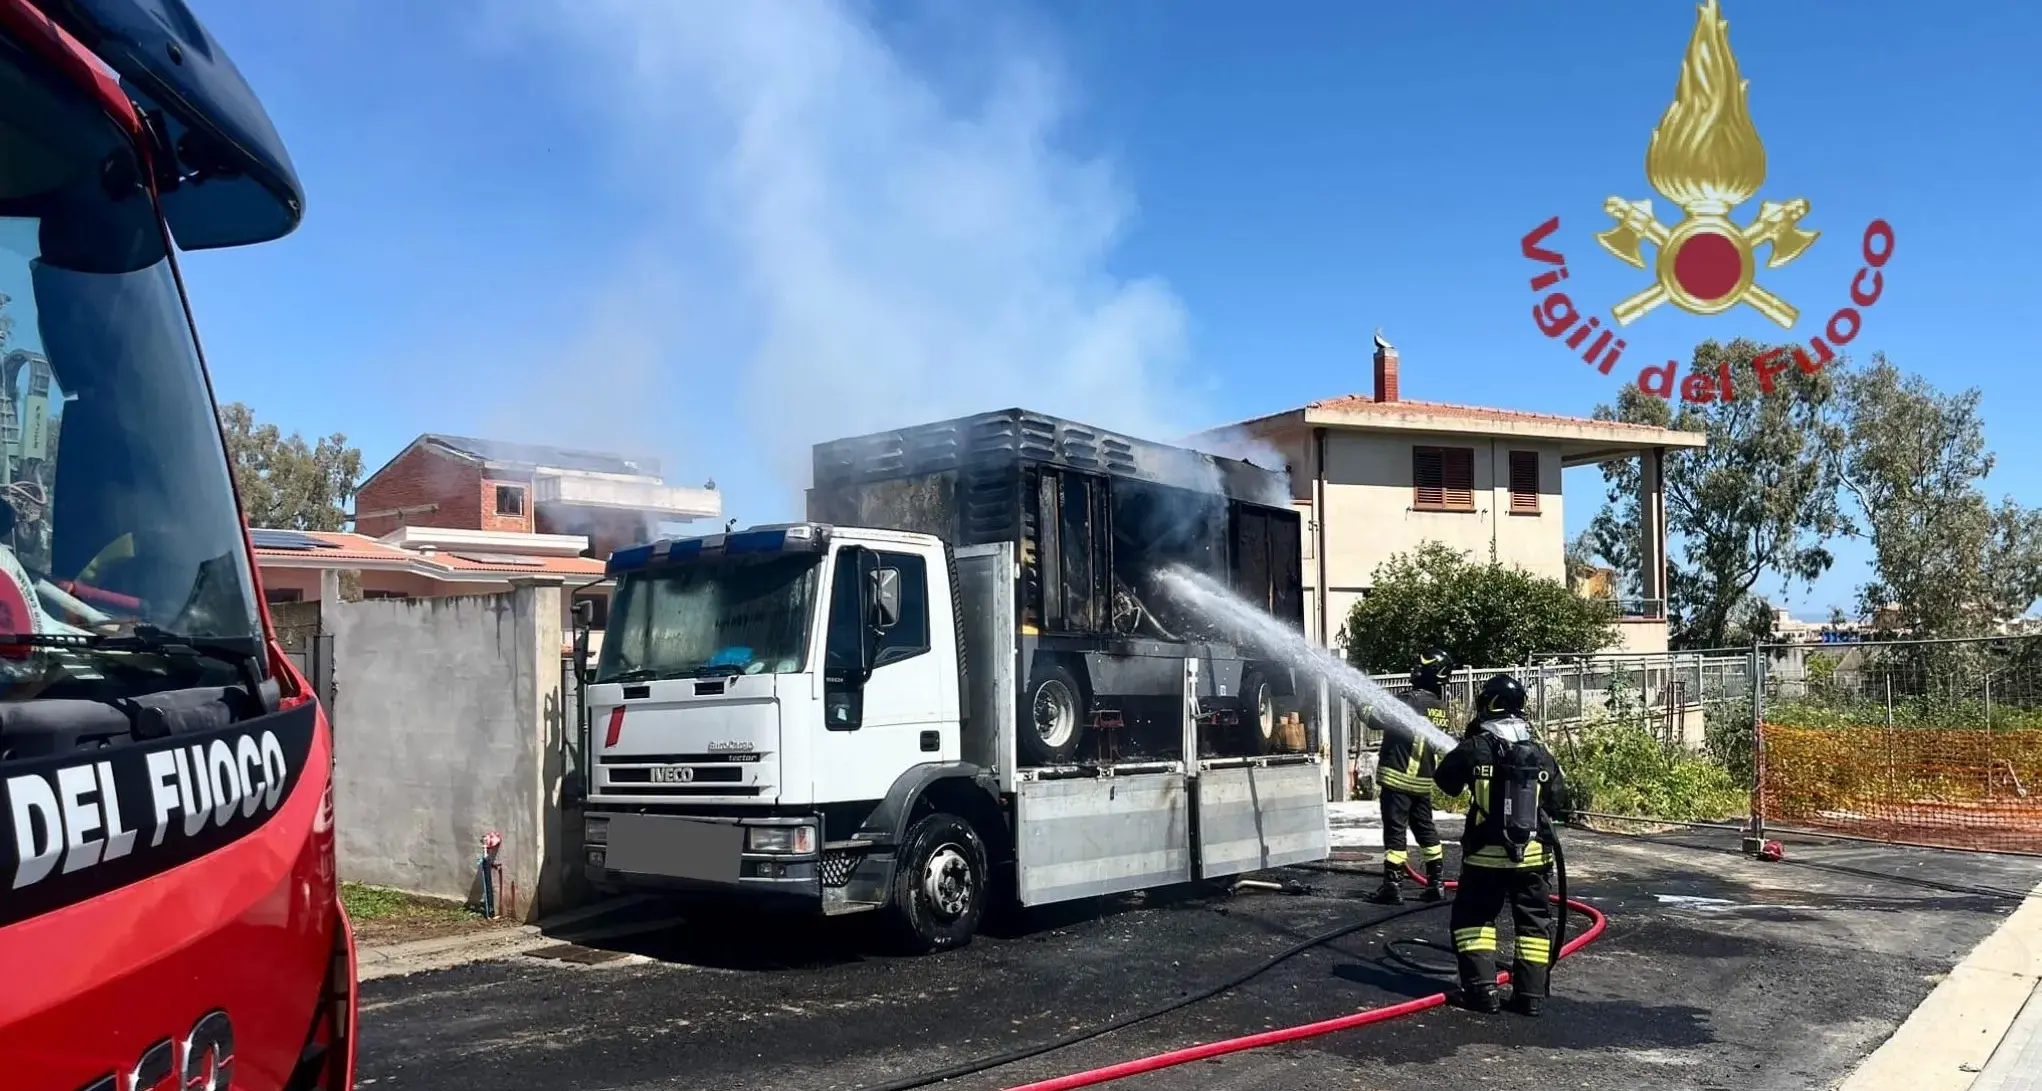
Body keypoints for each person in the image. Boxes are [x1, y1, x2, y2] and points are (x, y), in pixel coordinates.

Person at [1432, 673, 1571, 1017]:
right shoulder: (1537, 751)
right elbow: (1559, 800)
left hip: (1485, 858)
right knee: (1534, 925)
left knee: (1474, 919)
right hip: (1534, 857)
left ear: (1486, 704)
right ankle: (1531, 996)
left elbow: (1444, 781)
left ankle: (1482, 993)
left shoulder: (1476, 746)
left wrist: (1466, 752)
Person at [1369, 647, 1455, 904]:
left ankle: (1392, 885)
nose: (1416, 668)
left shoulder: (1409, 700)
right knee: (1426, 830)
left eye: (1422, 665)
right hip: (1422, 781)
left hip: (1398, 778)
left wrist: (1357, 699)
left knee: (1395, 831)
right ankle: (1436, 883)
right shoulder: (1440, 708)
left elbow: (1374, 718)